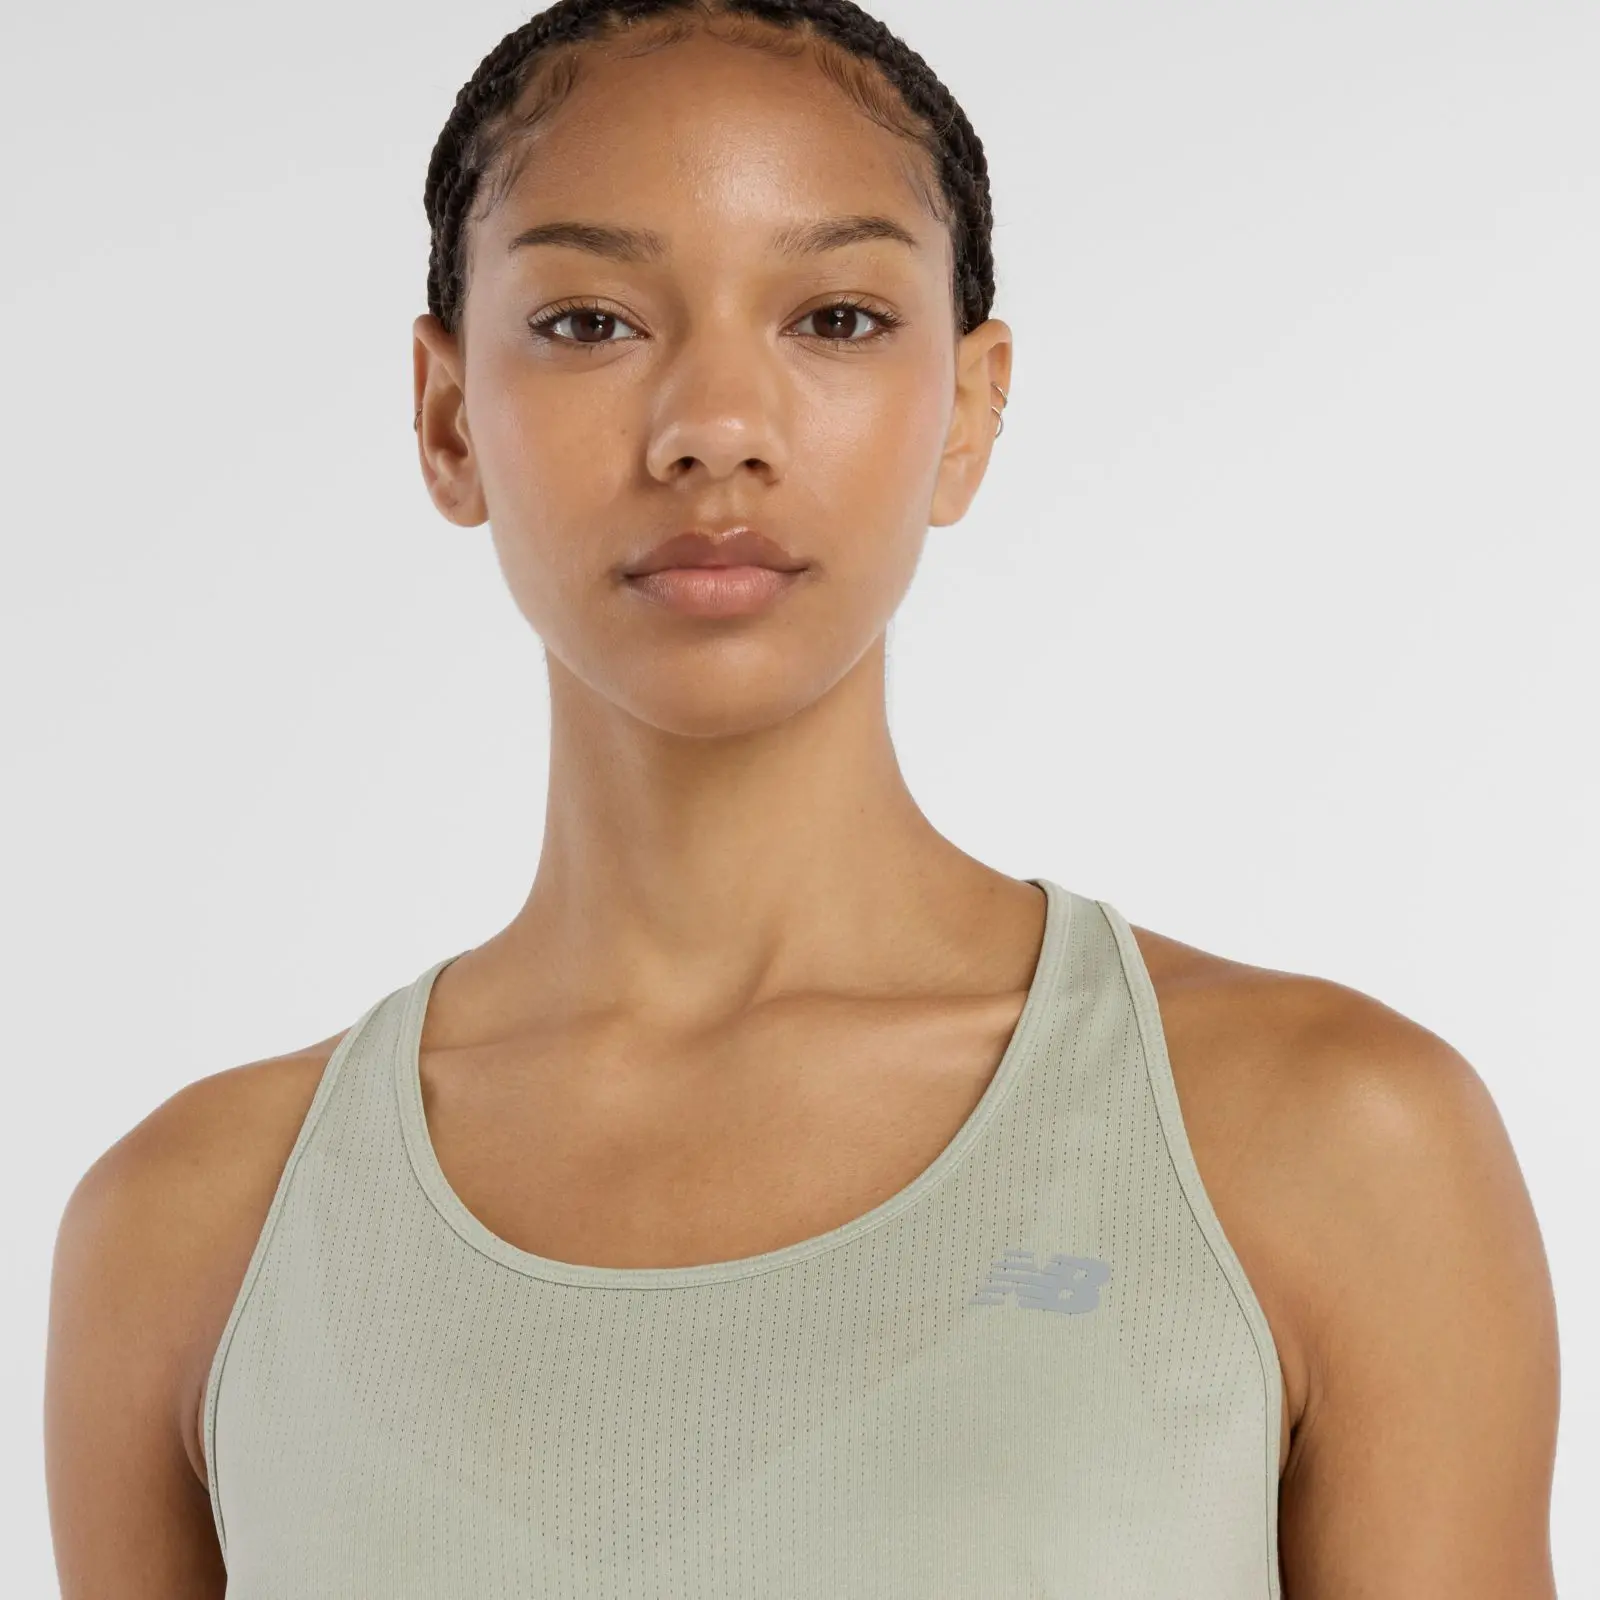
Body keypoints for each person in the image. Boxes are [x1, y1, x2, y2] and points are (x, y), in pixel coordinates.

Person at [44, 1, 1560, 1595]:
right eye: (590, 322)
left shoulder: (1330, 1146)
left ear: (970, 409)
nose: (715, 429)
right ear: (446, 417)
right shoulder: (191, 1237)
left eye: (835, 317)